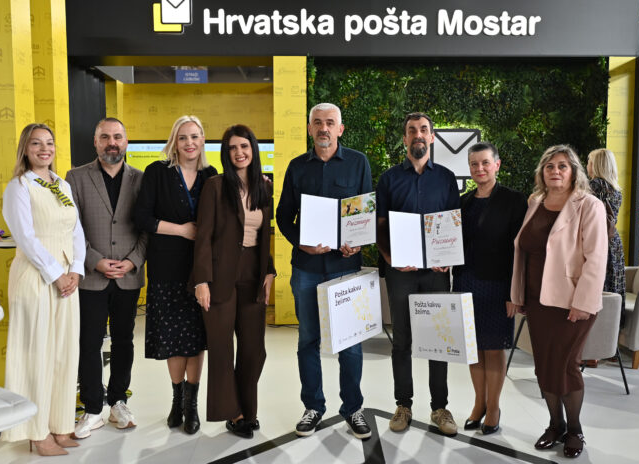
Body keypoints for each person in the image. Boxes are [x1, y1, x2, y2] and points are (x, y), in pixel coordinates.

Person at [276, 103, 373, 439]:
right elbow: (283, 216)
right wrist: (300, 243)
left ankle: (353, 408)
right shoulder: (296, 167)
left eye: (330, 122)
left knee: (351, 344)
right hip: (306, 268)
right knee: (308, 340)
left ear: (340, 129)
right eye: (317, 122)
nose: (324, 128)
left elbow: (365, 212)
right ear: (309, 128)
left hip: (345, 267)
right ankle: (313, 407)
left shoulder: (359, 162)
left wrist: (357, 243)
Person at [510, 145, 607, 458]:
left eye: (562, 166)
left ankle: (575, 430)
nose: (555, 171)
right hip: (538, 301)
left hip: (572, 302)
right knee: (544, 365)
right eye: (549, 166)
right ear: (542, 172)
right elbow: (525, 251)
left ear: (574, 172)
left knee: (566, 366)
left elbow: (596, 258)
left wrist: (583, 302)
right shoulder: (535, 202)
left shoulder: (588, 205)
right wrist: (518, 295)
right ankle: (555, 425)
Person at [1, 123, 86, 456]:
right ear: (25, 149)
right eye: (36, 143)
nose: (44, 149)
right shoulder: (19, 186)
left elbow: (76, 230)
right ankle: (36, 433)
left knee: (64, 353)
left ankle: (60, 424)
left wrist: (76, 269)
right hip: (36, 278)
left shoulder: (62, 184)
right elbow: (25, 237)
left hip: (67, 279)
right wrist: (56, 274)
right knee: (36, 354)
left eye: (49, 143)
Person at [375, 112, 460, 436]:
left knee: (438, 340)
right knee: (402, 341)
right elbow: (379, 225)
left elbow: (453, 221)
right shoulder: (389, 179)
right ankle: (403, 405)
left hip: (436, 273)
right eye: (412, 130)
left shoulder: (447, 178)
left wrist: (447, 258)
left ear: (432, 137)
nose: (418, 135)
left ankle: (440, 407)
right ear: (405, 138)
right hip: (401, 273)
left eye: (424, 129)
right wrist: (391, 259)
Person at [190, 125, 275, 439]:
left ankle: (247, 408)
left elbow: (265, 236)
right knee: (222, 348)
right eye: (232, 148)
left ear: (253, 149)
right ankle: (235, 414)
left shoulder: (264, 186)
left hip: (253, 274)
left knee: (254, 350)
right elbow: (203, 236)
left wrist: (269, 272)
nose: (239, 153)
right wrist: (201, 280)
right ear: (226, 153)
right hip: (219, 276)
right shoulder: (215, 186)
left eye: (244, 146)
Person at [133, 115, 217, 434]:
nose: (189, 143)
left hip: (201, 270)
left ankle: (191, 405)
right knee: (173, 339)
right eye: (183, 137)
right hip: (166, 268)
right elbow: (142, 217)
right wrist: (181, 230)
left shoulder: (211, 175)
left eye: (195, 136)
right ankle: (176, 399)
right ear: (174, 142)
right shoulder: (157, 172)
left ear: (202, 140)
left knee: (196, 338)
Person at [66, 118, 147, 439]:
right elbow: (71, 228)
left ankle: (118, 402)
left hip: (128, 276)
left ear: (126, 141)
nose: (111, 142)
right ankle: (91, 408)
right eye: (105, 137)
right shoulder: (75, 178)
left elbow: (148, 228)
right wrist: (95, 261)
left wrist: (132, 261)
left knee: (124, 341)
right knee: (89, 342)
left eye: (117, 136)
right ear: (95, 142)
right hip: (91, 276)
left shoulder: (142, 179)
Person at [452, 142, 527, 435]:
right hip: (465, 283)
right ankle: (478, 404)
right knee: (473, 349)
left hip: (497, 287)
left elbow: (519, 252)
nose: (479, 169)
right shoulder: (464, 202)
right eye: (474, 164)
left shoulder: (514, 200)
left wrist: (513, 294)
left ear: (497, 164)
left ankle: (493, 408)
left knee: (494, 349)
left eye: (485, 163)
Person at [587, 148, 626, 325]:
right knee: (612, 286)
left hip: (597, 241)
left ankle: (595, 332)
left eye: (589, 162)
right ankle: (612, 331)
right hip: (614, 242)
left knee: (597, 286)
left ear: (596, 165)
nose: (587, 166)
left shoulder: (593, 186)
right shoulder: (616, 189)